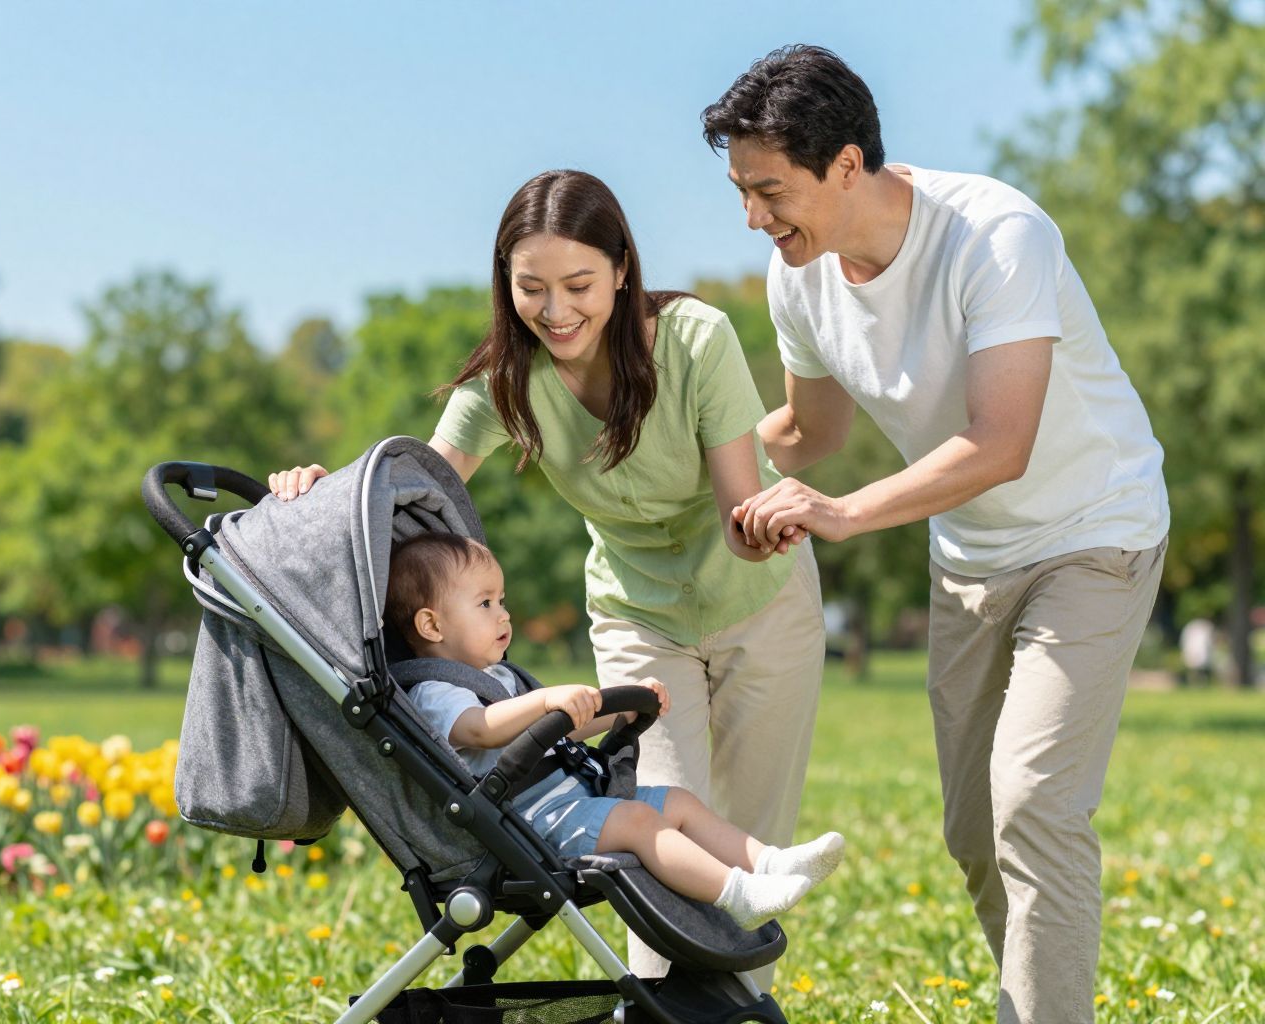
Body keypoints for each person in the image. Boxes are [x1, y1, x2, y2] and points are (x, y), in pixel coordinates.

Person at [701, 45, 1169, 1024]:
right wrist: (698, 466)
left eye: (770, 190)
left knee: (1034, 799)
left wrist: (840, 513)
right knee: (975, 827)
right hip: (972, 558)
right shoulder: (802, 279)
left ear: (846, 162)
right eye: (742, 191)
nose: (754, 217)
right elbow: (811, 434)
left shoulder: (996, 236)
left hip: (1094, 528)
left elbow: (1002, 442)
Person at [270, 168, 827, 981]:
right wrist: (318, 498)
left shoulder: (696, 340)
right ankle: (658, 1004)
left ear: (622, 270)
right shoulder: (504, 380)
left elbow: (741, 511)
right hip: (640, 610)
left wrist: (766, 529)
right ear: (506, 284)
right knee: (644, 819)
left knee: (749, 835)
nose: (557, 311)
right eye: (532, 288)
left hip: (760, 599)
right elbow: (409, 493)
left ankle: (740, 1003)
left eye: (579, 285)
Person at [387, 531, 844, 929]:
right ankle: (737, 897)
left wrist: (620, 707)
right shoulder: (436, 690)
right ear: (431, 624)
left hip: (576, 801)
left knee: (677, 801)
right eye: (485, 604)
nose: (503, 615)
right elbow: (481, 730)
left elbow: (559, 732)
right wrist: (546, 700)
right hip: (534, 824)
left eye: (502, 601)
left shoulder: (503, 679)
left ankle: (770, 861)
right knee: (641, 820)